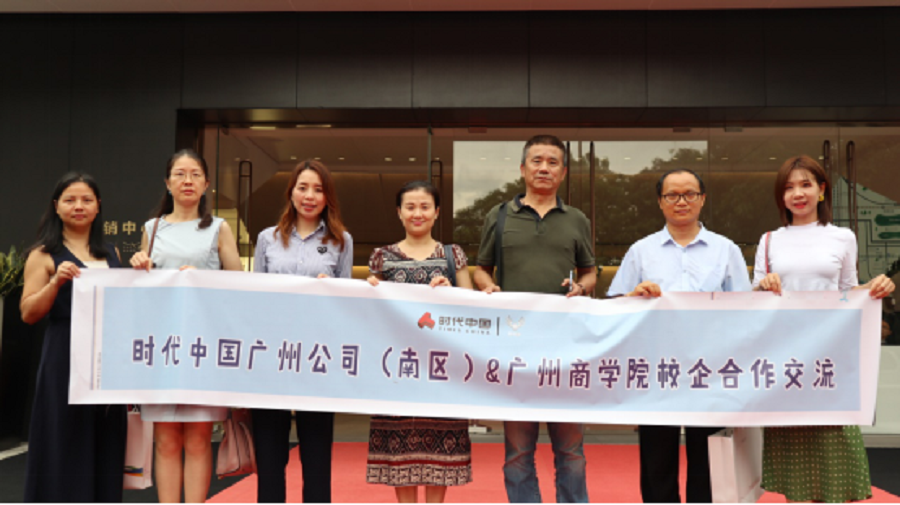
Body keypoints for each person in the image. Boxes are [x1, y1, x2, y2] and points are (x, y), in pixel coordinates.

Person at [606, 168, 752, 503]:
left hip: (711, 369)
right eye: (672, 195)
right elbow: (614, 307)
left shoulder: (725, 250)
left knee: (708, 463)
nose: (681, 201)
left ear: (702, 199)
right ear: (660, 202)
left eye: (689, 194)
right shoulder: (641, 251)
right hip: (657, 369)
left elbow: (744, 309)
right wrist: (633, 296)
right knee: (657, 462)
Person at [754, 155, 894, 502]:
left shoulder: (842, 237)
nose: (797, 193)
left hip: (829, 354)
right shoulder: (769, 240)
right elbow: (753, 300)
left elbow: (848, 291)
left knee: (835, 440)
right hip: (786, 356)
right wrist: (763, 286)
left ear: (821, 190)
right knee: (793, 448)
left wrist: (875, 286)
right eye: (789, 187)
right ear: (781, 196)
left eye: (805, 184)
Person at [473, 134, 595, 503]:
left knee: (571, 451)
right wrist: (489, 288)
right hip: (516, 349)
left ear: (563, 172)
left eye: (552, 162)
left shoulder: (576, 219)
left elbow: (590, 272)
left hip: (565, 349)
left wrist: (581, 287)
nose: (544, 168)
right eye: (537, 161)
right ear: (523, 168)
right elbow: (481, 269)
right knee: (518, 452)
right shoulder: (499, 215)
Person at [130, 149, 242, 503]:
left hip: (201, 344)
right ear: (168, 182)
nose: (187, 181)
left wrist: (202, 279)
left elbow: (239, 284)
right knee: (165, 439)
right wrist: (140, 266)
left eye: (195, 174)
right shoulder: (152, 229)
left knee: (197, 438)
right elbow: (142, 290)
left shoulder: (219, 228)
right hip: (162, 345)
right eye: (180, 174)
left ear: (207, 184)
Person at [20, 172, 127, 502]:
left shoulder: (112, 252)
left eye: (86, 200)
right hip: (64, 355)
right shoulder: (43, 254)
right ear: (56, 206)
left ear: (98, 206)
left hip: (106, 359)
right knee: (64, 439)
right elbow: (28, 312)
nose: (78, 206)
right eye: (70, 200)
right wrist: (55, 284)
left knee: (107, 439)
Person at [251, 159, 353, 503]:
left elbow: (346, 304)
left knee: (316, 455)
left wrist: (331, 290)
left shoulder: (341, 240)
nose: (309, 196)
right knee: (270, 455)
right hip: (272, 358)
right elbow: (256, 298)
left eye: (318, 189)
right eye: (303, 187)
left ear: (327, 197)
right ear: (291, 192)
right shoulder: (267, 239)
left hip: (317, 359)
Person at [365, 180, 473, 503]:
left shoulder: (452, 255)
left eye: (425, 207)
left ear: (437, 212)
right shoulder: (381, 257)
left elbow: (471, 308)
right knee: (401, 451)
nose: (417, 213)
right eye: (410, 207)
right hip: (398, 370)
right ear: (399, 212)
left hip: (442, 370)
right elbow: (370, 315)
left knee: (441, 449)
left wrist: (451, 293)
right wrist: (370, 290)